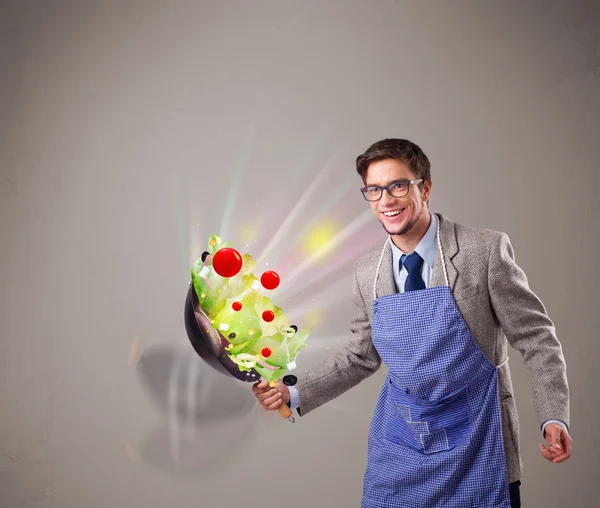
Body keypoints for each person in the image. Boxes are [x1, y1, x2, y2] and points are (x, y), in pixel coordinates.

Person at [252, 138, 572, 507]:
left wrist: (554, 417)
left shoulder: (482, 251)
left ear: (426, 187)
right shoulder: (366, 272)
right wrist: (292, 392)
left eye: (398, 186)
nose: (386, 200)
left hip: (479, 443)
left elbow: (537, 339)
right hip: (400, 447)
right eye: (374, 190)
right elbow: (360, 357)